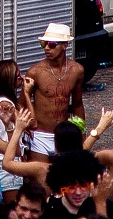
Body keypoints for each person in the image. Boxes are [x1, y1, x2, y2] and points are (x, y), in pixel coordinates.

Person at [23, 25, 84, 161]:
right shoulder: (35, 72)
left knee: (65, 178)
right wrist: (23, 125)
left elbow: (77, 105)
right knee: (41, 179)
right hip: (39, 135)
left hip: (64, 135)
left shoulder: (77, 70)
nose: (46, 48)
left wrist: (82, 131)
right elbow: (21, 104)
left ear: (65, 45)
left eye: (51, 44)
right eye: (43, 44)